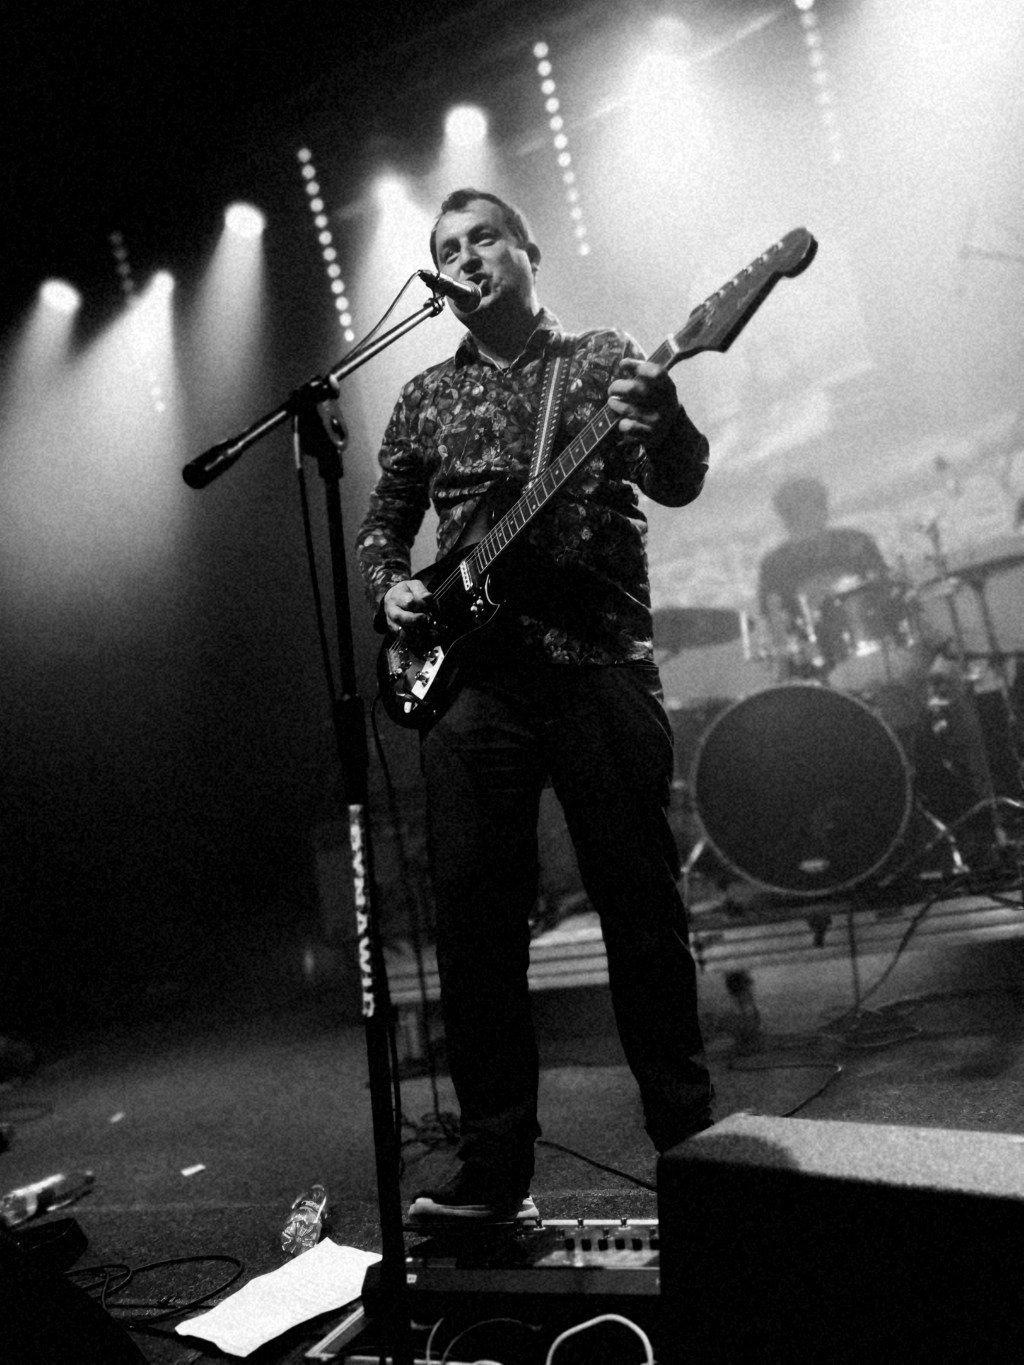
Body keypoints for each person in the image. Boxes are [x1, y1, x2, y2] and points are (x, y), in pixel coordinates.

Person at [356, 188, 714, 1223]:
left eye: (484, 239)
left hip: (596, 661)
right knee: (475, 933)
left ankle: (695, 1154)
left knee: (640, 913)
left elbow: (679, 481)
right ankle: (494, 1173)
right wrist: (393, 587)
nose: (466, 256)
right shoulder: (424, 395)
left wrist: (667, 415)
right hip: (472, 684)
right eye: (448, 247)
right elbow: (384, 520)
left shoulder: (601, 361)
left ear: (528, 253)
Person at [757, 475, 891, 683]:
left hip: (881, 648)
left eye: (813, 508)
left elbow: (888, 593)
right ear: (786, 519)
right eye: (797, 515)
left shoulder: (856, 543)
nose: (807, 519)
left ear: (823, 509)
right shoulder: (774, 566)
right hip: (816, 664)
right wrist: (784, 672)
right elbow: (775, 628)